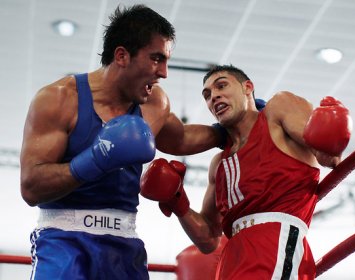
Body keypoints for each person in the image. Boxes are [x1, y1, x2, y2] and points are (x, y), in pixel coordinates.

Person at [20, 5, 224, 280]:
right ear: (122, 56)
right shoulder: (59, 99)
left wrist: (232, 128)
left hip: (124, 248)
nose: (164, 72)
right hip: (63, 242)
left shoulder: (154, 102)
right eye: (156, 59)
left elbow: (183, 137)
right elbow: (31, 187)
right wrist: (95, 159)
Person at [140, 65, 352, 279]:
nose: (214, 96)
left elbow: (328, 155)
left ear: (248, 87)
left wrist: (331, 131)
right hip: (231, 258)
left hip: (274, 245)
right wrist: (178, 201)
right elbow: (209, 239)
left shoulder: (278, 110)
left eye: (221, 85)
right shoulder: (219, 164)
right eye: (207, 95)